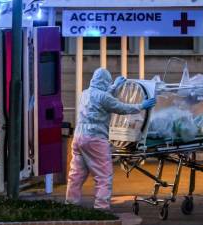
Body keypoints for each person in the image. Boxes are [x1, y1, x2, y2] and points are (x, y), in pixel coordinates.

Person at [65, 68, 156, 210]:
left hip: (79, 137)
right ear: (105, 81)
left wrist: (114, 86)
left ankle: (71, 204)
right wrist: (141, 106)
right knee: (103, 176)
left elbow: (101, 97)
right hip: (95, 138)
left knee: (76, 175)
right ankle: (101, 208)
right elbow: (121, 108)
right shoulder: (104, 97)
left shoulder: (85, 94)